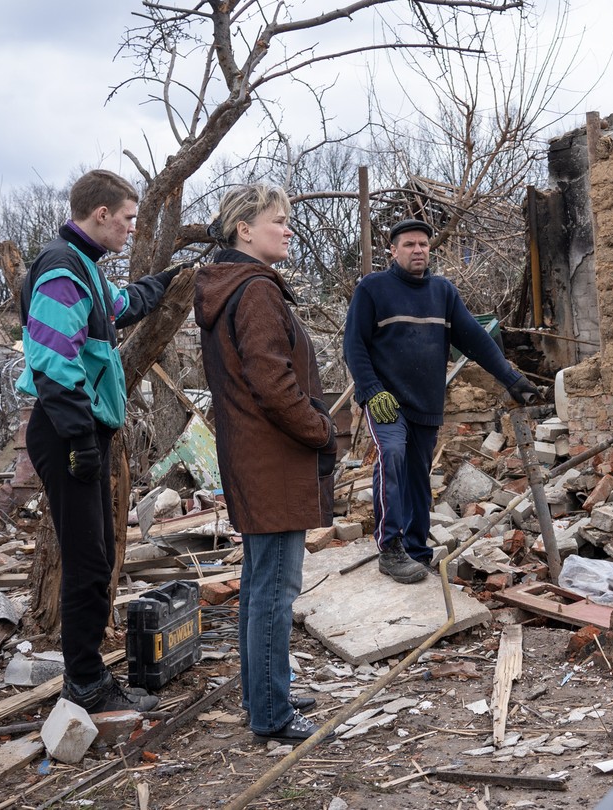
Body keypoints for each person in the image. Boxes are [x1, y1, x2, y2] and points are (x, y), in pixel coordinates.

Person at [17, 169, 180, 713]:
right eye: (129, 219)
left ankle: (86, 676)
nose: (133, 229)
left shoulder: (83, 267)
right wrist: (80, 439)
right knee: (88, 561)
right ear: (102, 214)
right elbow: (51, 362)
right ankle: (85, 683)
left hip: (80, 429)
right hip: (67, 430)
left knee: (99, 554)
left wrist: (170, 281)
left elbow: (122, 304)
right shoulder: (61, 271)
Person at [194, 183, 336, 744]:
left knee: (259, 587)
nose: (288, 228)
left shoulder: (237, 288)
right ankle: (272, 714)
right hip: (272, 461)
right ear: (243, 230)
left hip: (255, 459)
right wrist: (322, 430)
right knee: (274, 591)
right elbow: (273, 385)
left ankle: (264, 695)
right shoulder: (254, 291)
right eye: (278, 220)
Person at [343, 218, 538, 585]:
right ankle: (391, 547)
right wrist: (370, 389)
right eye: (409, 245)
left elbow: (476, 340)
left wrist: (513, 379)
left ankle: (417, 550)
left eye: (423, 245)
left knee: (419, 475)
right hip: (386, 402)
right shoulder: (373, 289)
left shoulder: (442, 292)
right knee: (393, 456)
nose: (418, 250)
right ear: (393, 250)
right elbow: (353, 344)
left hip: (426, 400)